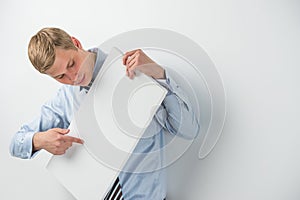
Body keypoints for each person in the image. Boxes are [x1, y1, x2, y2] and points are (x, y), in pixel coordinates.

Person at [10, 27, 200, 200]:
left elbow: (188, 130)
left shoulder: (133, 73)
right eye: (60, 76)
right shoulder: (65, 100)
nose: (73, 77)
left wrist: (158, 74)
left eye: (71, 64)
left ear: (75, 43)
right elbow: (16, 143)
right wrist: (39, 141)